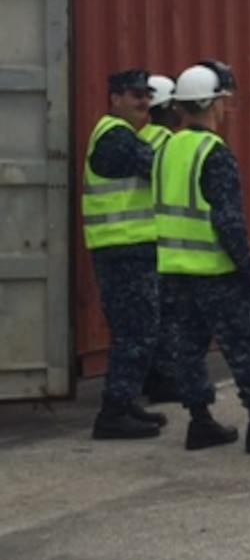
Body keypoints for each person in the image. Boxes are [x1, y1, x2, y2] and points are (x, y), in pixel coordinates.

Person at [155, 62, 250, 454]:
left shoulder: (165, 148)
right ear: (211, 104)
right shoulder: (214, 153)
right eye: (223, 101)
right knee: (247, 345)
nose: (226, 108)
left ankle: (200, 422)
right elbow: (228, 220)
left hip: (174, 270)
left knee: (188, 349)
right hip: (217, 271)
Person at [82, 69, 167, 439]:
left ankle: (126, 399)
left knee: (136, 330)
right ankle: (113, 413)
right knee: (136, 332)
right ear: (115, 98)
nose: (144, 102)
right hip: (123, 248)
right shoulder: (116, 137)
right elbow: (161, 170)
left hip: (127, 248)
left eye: (147, 95)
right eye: (135, 95)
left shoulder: (120, 134)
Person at [139, 74, 183, 406]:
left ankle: (150, 378)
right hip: (158, 240)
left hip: (138, 239)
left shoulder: (139, 138)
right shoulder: (167, 143)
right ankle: (164, 380)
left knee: (144, 318)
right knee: (165, 315)